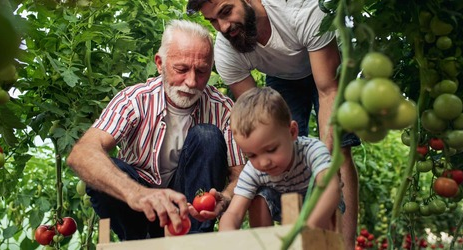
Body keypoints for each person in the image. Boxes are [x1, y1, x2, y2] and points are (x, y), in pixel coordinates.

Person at [186, 0, 360, 248]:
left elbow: (327, 90)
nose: (222, 27)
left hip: (325, 62)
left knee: (338, 151)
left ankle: (346, 245)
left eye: (226, 11)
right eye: (213, 20)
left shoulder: (302, 10)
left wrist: (325, 164)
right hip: (283, 76)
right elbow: (255, 116)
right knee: (275, 155)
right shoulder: (226, 50)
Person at [66, 20, 245, 241]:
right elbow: (81, 154)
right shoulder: (134, 100)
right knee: (105, 167)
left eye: (201, 71)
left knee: (207, 136)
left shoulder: (223, 108)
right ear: (160, 64)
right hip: (138, 212)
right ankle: (137, 241)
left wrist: (225, 197)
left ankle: (195, 242)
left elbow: (240, 175)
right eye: (181, 69)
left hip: (191, 211)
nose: (191, 82)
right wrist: (138, 194)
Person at [219, 87, 340, 231]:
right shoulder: (253, 171)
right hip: (282, 205)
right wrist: (227, 237)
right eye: (251, 155)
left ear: (292, 132)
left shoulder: (312, 150)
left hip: (319, 208)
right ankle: (266, 243)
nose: (264, 163)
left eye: (271, 150)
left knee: (326, 196)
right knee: (258, 197)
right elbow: (233, 214)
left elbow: (332, 189)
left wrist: (309, 227)